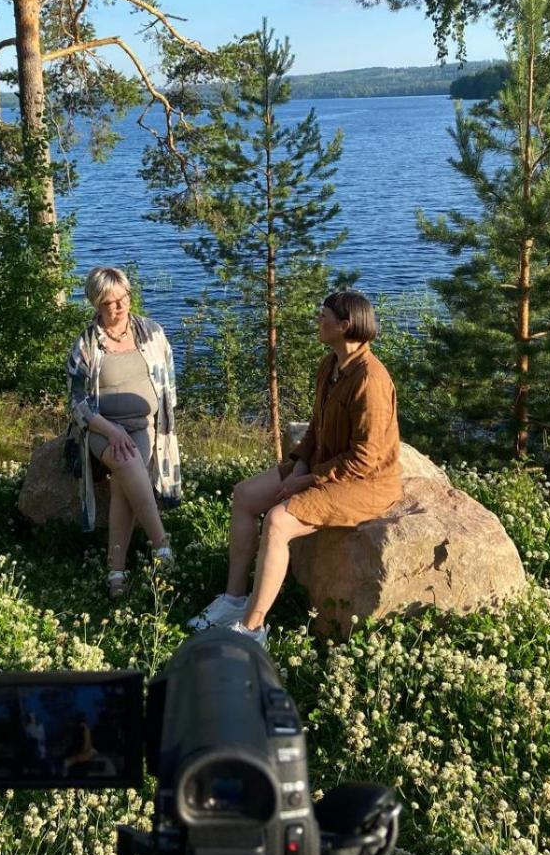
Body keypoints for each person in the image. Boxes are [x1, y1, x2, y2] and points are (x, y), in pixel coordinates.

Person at [187, 289, 403, 646]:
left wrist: (307, 481)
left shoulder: (371, 380)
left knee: (277, 521)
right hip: (322, 467)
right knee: (244, 495)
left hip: (366, 484)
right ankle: (234, 600)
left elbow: (365, 459)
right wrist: (300, 463)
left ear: (344, 325)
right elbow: (317, 426)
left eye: (323, 316)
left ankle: (252, 629)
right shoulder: (330, 365)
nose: (317, 320)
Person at [66, 266, 181, 599]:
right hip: (100, 427)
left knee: (122, 485)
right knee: (128, 461)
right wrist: (111, 431)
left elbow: (168, 384)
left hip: (143, 425)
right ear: (95, 304)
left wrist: (159, 426)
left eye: (122, 299)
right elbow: (77, 403)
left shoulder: (152, 333)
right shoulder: (86, 344)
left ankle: (115, 573)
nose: (117, 307)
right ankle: (162, 545)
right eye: (108, 303)